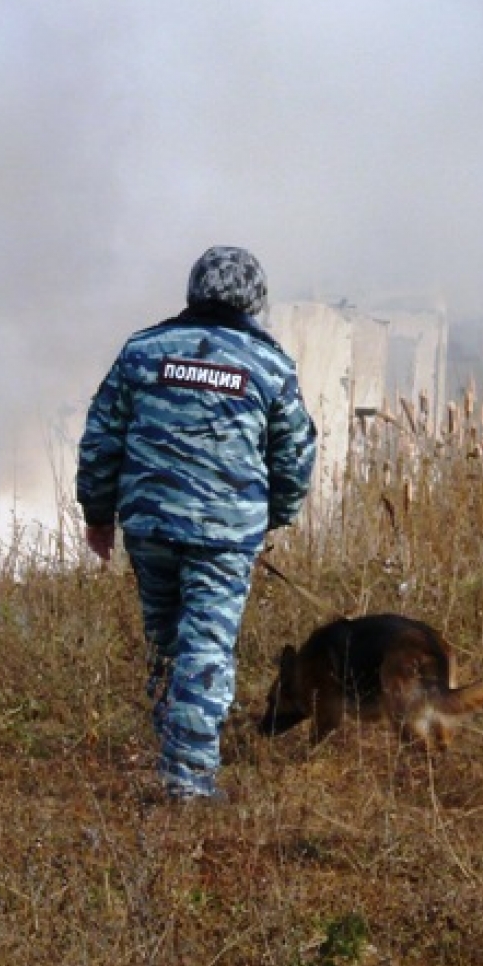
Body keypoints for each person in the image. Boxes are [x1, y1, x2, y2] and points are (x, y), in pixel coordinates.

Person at [76, 246, 318, 801]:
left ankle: (173, 755)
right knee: (205, 648)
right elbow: (295, 456)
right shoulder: (270, 364)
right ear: (256, 300)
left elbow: (100, 440)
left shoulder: (142, 351)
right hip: (224, 535)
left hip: (150, 526)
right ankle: (187, 783)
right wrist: (272, 517)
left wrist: (97, 515)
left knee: (166, 642)